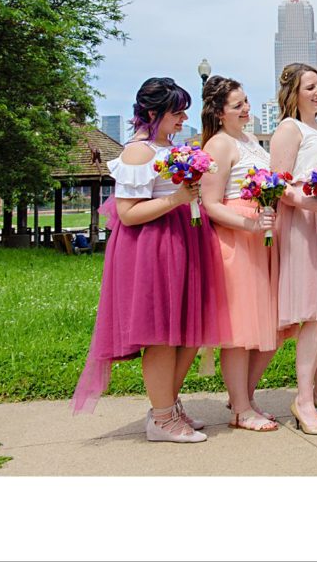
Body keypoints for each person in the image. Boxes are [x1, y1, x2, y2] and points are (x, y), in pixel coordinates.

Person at [72, 77, 229, 444]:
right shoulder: (139, 152)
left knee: (189, 332)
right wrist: (176, 199)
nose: (182, 118)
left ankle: (167, 406)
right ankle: (162, 418)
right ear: (154, 113)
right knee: (162, 336)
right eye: (177, 112)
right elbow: (127, 214)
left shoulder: (169, 148)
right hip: (153, 248)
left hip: (183, 240)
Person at [269, 63, 317, 435]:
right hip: (302, 224)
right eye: (310, 87)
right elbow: (277, 185)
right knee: (314, 313)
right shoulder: (289, 128)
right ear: (294, 94)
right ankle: (302, 399)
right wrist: (307, 203)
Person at [200, 76, 280, 433]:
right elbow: (211, 204)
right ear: (219, 113)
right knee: (241, 328)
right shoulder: (218, 145)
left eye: (247, 102)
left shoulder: (249, 141)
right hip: (236, 240)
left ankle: (243, 398)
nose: (247, 109)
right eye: (238, 105)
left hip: (262, 236)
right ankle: (241, 408)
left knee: (268, 325)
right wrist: (247, 225)